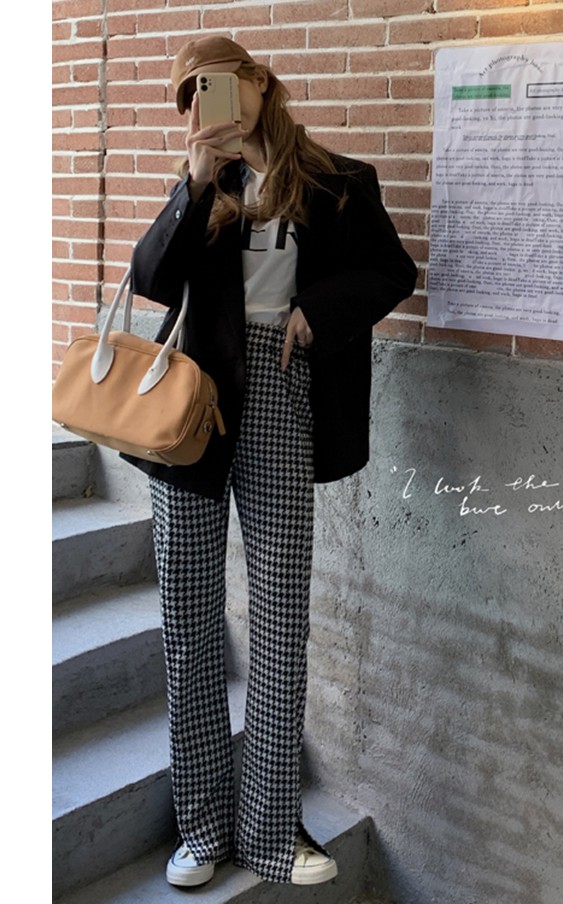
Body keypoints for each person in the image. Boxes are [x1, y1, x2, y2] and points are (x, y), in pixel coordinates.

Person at [123, 35, 417, 888]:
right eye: (189, 96)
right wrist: (193, 181)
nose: (203, 104)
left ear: (256, 80)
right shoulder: (205, 183)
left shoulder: (337, 180)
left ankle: (269, 828)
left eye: (212, 85)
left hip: (283, 392)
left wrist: (316, 311)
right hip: (194, 406)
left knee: (282, 615)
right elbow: (150, 279)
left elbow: (391, 270)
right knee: (188, 614)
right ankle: (202, 827)